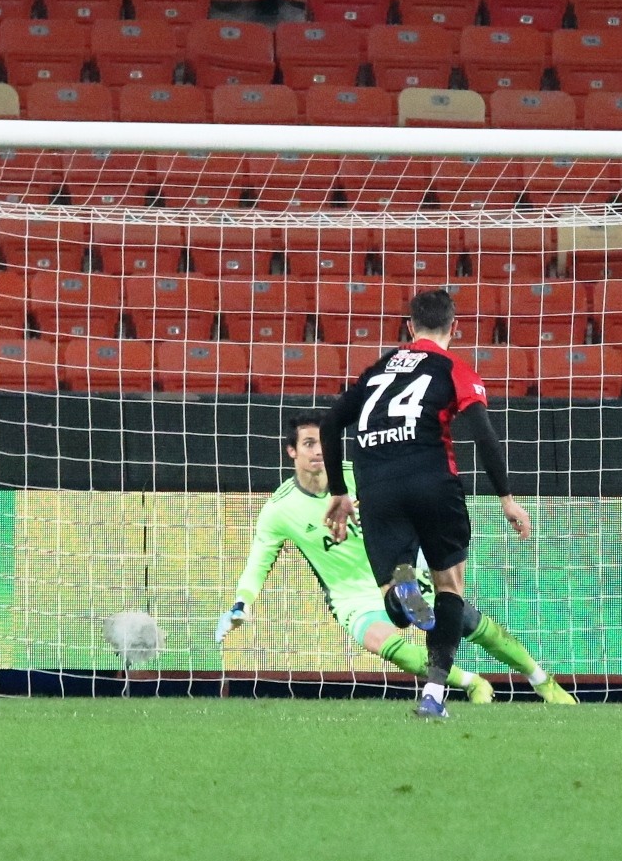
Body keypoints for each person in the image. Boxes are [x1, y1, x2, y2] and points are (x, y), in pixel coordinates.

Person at [217, 413, 573, 704]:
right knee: (389, 646)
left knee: (464, 621)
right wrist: (241, 603)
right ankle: (471, 683)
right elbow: (258, 563)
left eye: (323, 442)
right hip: (351, 595)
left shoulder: (361, 476)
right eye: (309, 444)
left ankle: (543, 682)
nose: (318, 451)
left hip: (400, 572)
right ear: (291, 452)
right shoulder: (279, 510)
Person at [319, 288, 534, 720]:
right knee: (450, 587)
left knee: (397, 613)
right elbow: (484, 434)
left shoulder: (378, 369)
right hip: (432, 481)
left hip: (376, 486)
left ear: (408, 328)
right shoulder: (454, 367)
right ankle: (434, 694)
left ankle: (401, 590)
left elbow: (329, 424)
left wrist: (339, 491)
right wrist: (507, 498)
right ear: (456, 328)